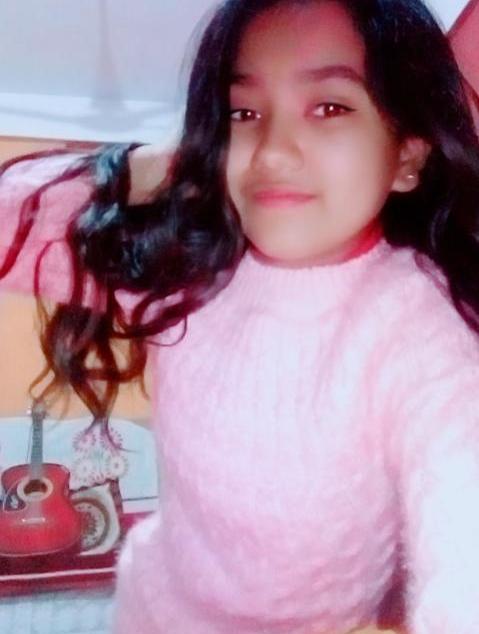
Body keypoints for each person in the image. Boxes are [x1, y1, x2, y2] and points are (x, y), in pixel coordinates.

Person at [1, 0, 479, 632]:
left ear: (408, 156)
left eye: (329, 107)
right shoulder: (190, 261)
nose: (273, 152)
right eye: (244, 112)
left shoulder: (416, 332)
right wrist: (160, 166)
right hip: (151, 610)